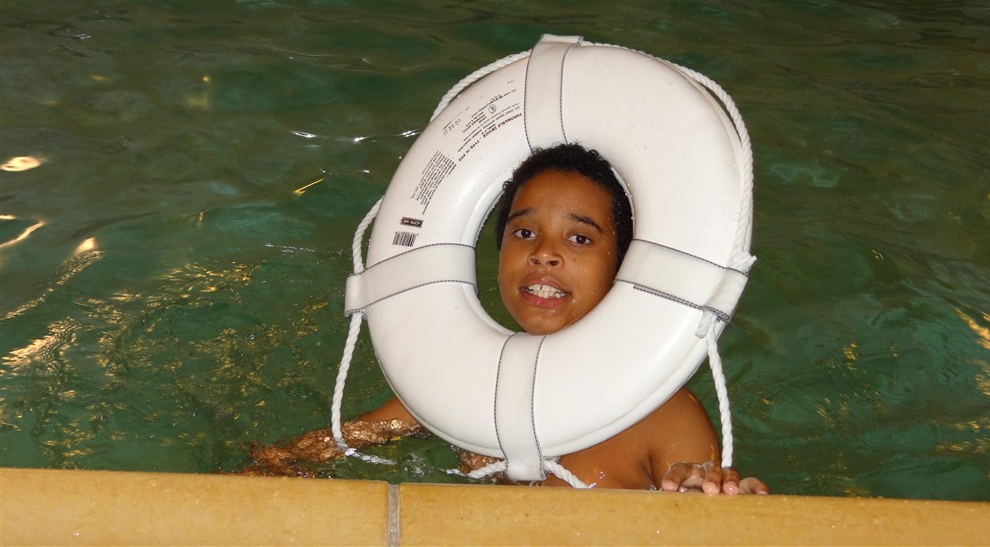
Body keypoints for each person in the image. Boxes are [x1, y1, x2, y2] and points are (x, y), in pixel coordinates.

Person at [247, 144, 768, 495]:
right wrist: (270, 464)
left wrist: (705, 487)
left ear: (622, 267)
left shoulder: (662, 410)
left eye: (579, 238)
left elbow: (696, 488)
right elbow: (332, 444)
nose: (544, 253)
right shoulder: (469, 382)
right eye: (524, 233)